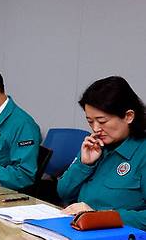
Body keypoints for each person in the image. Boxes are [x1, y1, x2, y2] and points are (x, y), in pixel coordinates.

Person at [58, 76, 146, 229]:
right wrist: (84, 164)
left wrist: (99, 216)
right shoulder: (96, 144)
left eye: (102, 121)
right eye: (90, 121)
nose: (96, 128)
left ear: (128, 116)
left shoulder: (142, 152)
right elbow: (64, 193)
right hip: (81, 230)